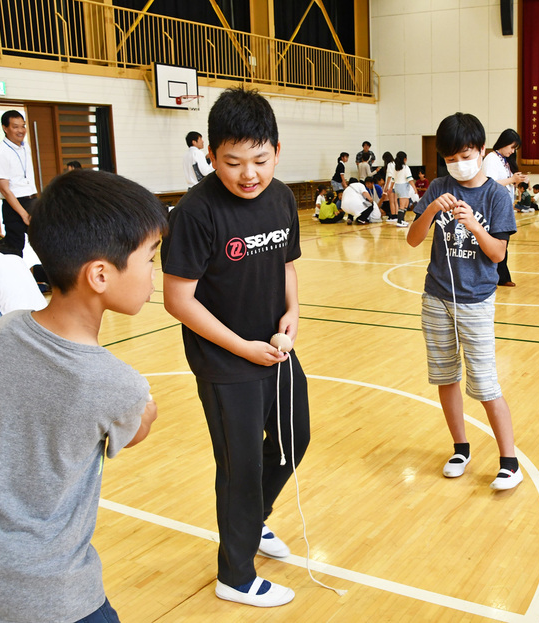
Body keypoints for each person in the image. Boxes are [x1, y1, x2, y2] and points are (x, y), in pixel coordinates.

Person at [0, 168, 164, 623]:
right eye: (150, 257)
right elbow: (135, 430)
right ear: (100, 273)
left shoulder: (2, 332)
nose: (155, 270)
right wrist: (145, 408)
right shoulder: (116, 383)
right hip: (50, 592)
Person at [162, 87, 308, 609]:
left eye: (260, 160)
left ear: (276, 150)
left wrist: (292, 313)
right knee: (240, 465)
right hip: (226, 360)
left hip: (275, 347)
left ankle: (252, 521)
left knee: (294, 440)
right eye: (233, 162)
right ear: (211, 157)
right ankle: (236, 575)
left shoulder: (283, 197)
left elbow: (286, 263)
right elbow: (178, 300)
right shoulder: (196, 212)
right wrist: (242, 349)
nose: (249, 174)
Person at [407, 112, 522, 491]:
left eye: (465, 154)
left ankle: (510, 461)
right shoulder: (439, 186)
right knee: (444, 376)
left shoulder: (496, 195)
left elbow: (498, 256)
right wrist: (430, 210)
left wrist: (474, 224)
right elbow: (412, 239)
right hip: (436, 297)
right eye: (450, 158)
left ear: (481, 150)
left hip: (475, 302)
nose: (458, 164)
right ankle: (460, 448)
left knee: (485, 382)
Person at [0, 110, 37, 256]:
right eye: (15, 127)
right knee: (15, 249)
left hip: (32, 200)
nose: (21, 130)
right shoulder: (0, 153)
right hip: (13, 204)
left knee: (47, 242)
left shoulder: (25, 146)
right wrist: (23, 213)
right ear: (5, 128)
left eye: (23, 126)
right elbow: (4, 189)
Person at [483, 129, 526, 286]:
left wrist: (517, 180)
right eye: (512, 147)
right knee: (499, 242)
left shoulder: (505, 161)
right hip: (493, 207)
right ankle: (499, 277)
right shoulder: (491, 159)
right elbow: (488, 184)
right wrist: (511, 179)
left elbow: (505, 181)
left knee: (503, 243)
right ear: (504, 143)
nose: (512, 151)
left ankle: (501, 277)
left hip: (504, 207)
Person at [388, 151, 416, 227]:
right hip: (403, 187)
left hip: (397, 187)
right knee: (402, 205)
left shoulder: (396, 168)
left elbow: (393, 179)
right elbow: (410, 179)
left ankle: (402, 220)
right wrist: (414, 188)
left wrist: (390, 188)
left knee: (406, 203)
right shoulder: (405, 167)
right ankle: (399, 221)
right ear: (404, 159)